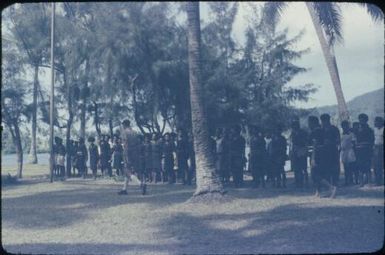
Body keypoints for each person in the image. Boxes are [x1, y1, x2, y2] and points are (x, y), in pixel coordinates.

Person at [308, 115, 337, 198]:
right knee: (320, 173)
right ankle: (318, 192)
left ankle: (331, 187)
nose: (308, 124)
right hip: (324, 154)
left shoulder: (316, 132)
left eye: (309, 122)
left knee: (315, 174)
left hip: (317, 154)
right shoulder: (322, 130)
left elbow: (314, 145)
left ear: (313, 123)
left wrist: (313, 158)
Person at [119, 119, 141, 195]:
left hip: (128, 152)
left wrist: (126, 155)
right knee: (128, 170)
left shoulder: (124, 133)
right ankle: (124, 189)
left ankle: (140, 183)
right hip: (135, 153)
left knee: (126, 171)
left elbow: (125, 144)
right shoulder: (135, 132)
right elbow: (138, 144)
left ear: (124, 125)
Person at [320, 113, 341, 186]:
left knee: (334, 166)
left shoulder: (334, 129)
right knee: (325, 167)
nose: (323, 122)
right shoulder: (320, 130)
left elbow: (338, 140)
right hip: (324, 151)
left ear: (328, 120)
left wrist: (331, 142)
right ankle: (328, 182)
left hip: (333, 150)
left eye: (324, 120)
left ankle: (335, 181)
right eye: (322, 121)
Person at [356, 113, 375, 186]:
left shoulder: (370, 130)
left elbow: (371, 141)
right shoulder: (357, 130)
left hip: (367, 151)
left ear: (366, 120)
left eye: (363, 120)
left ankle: (369, 182)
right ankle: (361, 182)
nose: (361, 121)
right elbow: (356, 141)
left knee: (367, 166)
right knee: (360, 167)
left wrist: (364, 144)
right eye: (360, 120)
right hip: (359, 151)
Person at [290, 119, 309, 188]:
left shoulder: (302, 132)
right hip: (295, 150)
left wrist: (304, 150)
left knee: (303, 167)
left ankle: (305, 181)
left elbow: (305, 142)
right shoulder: (293, 133)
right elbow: (292, 143)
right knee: (296, 167)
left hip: (301, 150)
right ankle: (297, 181)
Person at [340, 120, 356, 186]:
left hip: (350, 151)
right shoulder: (341, 134)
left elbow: (354, 142)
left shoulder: (351, 134)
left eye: (346, 126)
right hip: (343, 152)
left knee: (351, 166)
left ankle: (352, 180)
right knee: (345, 166)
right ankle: (346, 180)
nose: (345, 127)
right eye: (343, 126)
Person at [373, 116, 383, 186]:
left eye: (377, 121)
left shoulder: (383, 129)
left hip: (382, 147)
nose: (376, 123)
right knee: (376, 165)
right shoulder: (374, 130)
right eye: (375, 121)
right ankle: (378, 181)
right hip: (376, 148)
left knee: (381, 165)